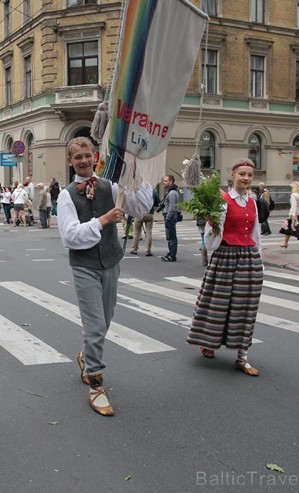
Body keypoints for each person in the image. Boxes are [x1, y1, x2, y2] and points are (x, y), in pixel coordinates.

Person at [57, 136, 152, 416]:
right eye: (78, 158)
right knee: (95, 325)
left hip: (111, 261)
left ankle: (86, 357)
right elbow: (70, 236)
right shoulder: (67, 195)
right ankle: (96, 384)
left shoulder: (111, 186)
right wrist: (103, 220)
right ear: (70, 162)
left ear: (95, 155)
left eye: (87, 155)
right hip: (84, 265)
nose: (84, 161)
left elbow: (139, 207)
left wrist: (136, 175)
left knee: (106, 319)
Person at [187, 158, 263, 376]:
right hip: (226, 255)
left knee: (244, 308)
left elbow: (255, 234)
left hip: (248, 258)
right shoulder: (223, 201)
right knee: (217, 304)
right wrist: (211, 225)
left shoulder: (253, 201)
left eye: (249, 175)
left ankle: (242, 357)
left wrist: (260, 262)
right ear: (233, 175)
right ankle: (209, 343)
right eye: (242, 174)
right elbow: (212, 241)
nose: (246, 178)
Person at [129, 187, 159, 257]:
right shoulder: (152, 191)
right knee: (149, 232)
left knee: (136, 232)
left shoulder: (138, 191)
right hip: (149, 213)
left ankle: (134, 249)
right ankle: (148, 250)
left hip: (139, 213)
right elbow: (158, 203)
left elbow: (133, 202)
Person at [279, 181, 299, 249]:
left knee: (288, 228)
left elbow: (294, 206)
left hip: (295, 214)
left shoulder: (293, 195)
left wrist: (293, 215)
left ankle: (285, 242)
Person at [160, 175, 180, 262]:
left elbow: (172, 207)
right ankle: (170, 253)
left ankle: (172, 255)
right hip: (169, 216)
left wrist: (167, 217)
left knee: (171, 237)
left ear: (171, 181)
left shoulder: (172, 193)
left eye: (165, 181)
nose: (163, 183)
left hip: (170, 217)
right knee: (170, 237)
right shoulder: (170, 192)